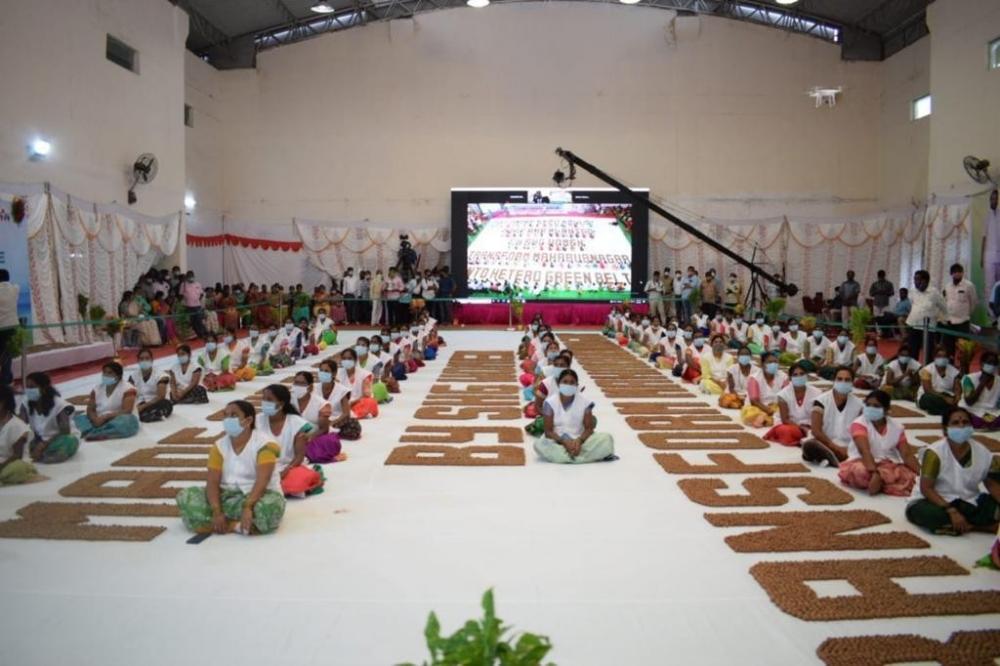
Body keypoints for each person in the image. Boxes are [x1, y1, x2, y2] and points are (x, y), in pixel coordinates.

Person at [176, 400, 286, 535]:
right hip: (227, 497)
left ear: (248, 420)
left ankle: (222, 524)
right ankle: (236, 525)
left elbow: (263, 480)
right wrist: (217, 511)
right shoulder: (219, 446)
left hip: (259, 497)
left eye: (233, 415)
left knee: (269, 508)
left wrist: (248, 506)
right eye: (226, 415)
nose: (228, 419)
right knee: (185, 496)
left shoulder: (266, 445)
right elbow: (212, 481)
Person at [905, 406, 1000, 535]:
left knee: (994, 508)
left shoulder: (982, 452)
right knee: (932, 516)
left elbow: (991, 484)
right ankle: (982, 526)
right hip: (934, 501)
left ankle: (968, 525)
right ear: (945, 430)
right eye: (955, 423)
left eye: (965, 422)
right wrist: (951, 510)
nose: (961, 426)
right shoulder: (934, 453)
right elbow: (926, 489)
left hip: (967, 500)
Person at [837, 390, 919, 496]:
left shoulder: (896, 427)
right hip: (863, 462)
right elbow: (864, 451)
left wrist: (922, 474)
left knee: (910, 477)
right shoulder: (859, 423)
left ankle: (881, 483)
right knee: (859, 471)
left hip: (887, 465)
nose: (871, 408)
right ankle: (886, 483)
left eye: (876, 406)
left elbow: (907, 455)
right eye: (868, 405)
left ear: (886, 410)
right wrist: (875, 473)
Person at [533, 369, 615, 464]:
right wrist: (564, 442)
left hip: (580, 440)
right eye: (565, 382)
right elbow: (548, 431)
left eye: (572, 382)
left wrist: (579, 441)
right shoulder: (550, 403)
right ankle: (581, 457)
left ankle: (567, 457)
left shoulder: (585, 402)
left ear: (576, 385)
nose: (568, 385)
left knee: (607, 439)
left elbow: (589, 428)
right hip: (557, 440)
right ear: (559, 383)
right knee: (539, 445)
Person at [258, 384, 321, 497]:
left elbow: (299, 456)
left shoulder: (297, 423)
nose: (264, 402)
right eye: (263, 398)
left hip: (290, 467)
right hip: (264, 466)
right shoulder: (257, 421)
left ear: (281, 404)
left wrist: (285, 471)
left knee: (294, 483)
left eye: (269, 399)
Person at [801, 367, 865, 467]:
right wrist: (835, 447)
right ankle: (835, 457)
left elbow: (862, 431)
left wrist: (849, 448)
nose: (843, 382)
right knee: (809, 445)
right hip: (825, 443)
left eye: (847, 380)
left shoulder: (859, 404)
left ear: (852, 382)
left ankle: (830, 458)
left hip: (848, 446)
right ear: (834, 381)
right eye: (839, 379)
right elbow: (816, 431)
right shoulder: (821, 401)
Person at [18, 372, 79, 463]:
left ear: (44, 388)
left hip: (60, 438)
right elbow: (20, 425)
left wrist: (43, 445)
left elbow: (65, 431)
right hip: (40, 438)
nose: (28, 391)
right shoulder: (26, 402)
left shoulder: (59, 404)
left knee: (63, 446)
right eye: (27, 387)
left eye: (32, 387)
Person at [290, 371, 347, 464]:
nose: (298, 386)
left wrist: (309, 437)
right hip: (293, 437)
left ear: (310, 387)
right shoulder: (289, 400)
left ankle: (303, 455)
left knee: (330, 442)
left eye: (302, 384)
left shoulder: (321, 404)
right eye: (296, 383)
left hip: (313, 438)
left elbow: (324, 429)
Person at [74, 362, 140, 441]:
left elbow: (127, 410)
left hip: (117, 418)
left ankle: (97, 433)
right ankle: (99, 431)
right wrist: (95, 419)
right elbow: (90, 409)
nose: (106, 375)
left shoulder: (128, 388)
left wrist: (105, 417)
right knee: (76, 419)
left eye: (109, 373)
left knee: (126, 422)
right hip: (98, 419)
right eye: (104, 372)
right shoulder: (97, 388)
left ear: (118, 376)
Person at [765, 362, 821, 447]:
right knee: (788, 432)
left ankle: (808, 439)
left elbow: (819, 416)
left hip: (810, 425)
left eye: (802, 374)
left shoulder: (817, 393)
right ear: (790, 378)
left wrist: (812, 428)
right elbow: (785, 419)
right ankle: (805, 439)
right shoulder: (782, 395)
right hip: (790, 424)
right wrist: (802, 429)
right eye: (795, 375)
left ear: (806, 376)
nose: (799, 377)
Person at [0, 385, 39, 485]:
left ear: (3, 403)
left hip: (12, 463)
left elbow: (17, 455)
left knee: (16, 469)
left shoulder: (17, 426)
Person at [905, 270, 945, 364]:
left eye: (917, 279)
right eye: (914, 279)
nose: (915, 282)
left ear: (925, 281)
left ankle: (927, 373)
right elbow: (913, 304)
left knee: (928, 353)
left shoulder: (934, 292)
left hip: (929, 328)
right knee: (912, 352)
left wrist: (940, 319)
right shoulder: (912, 291)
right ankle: (913, 373)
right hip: (914, 325)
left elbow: (943, 307)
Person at [940, 263, 978, 360]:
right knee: (948, 348)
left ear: (962, 273)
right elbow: (945, 301)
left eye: (959, 271)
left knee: (964, 350)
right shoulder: (947, 286)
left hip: (963, 322)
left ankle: (964, 371)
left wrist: (966, 314)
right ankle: (950, 368)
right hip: (949, 322)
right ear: (951, 273)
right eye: (954, 272)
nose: (957, 274)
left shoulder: (969, 285)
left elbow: (973, 302)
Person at [741, 351, 787, 428]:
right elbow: (754, 401)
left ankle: (766, 420)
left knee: (788, 411)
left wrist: (776, 410)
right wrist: (767, 410)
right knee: (751, 414)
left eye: (775, 362)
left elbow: (787, 396)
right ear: (762, 364)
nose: (773, 364)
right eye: (770, 362)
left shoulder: (783, 377)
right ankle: (769, 419)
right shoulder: (754, 378)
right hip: (758, 407)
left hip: (775, 406)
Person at [130, 348, 173, 423]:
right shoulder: (133, 376)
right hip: (142, 402)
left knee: (165, 405)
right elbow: (130, 393)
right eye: (141, 359)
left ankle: (147, 414)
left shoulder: (161, 375)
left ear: (152, 360)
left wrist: (142, 407)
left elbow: (161, 396)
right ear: (138, 361)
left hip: (158, 402)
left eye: (147, 358)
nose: (144, 361)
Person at [916, 345, 962, 416]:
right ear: (934, 357)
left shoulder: (954, 372)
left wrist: (957, 398)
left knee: (962, 400)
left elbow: (957, 390)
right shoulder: (927, 370)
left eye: (944, 356)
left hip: (947, 396)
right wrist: (945, 398)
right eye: (939, 356)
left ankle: (944, 409)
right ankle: (947, 409)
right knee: (929, 398)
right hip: (931, 395)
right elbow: (928, 390)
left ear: (948, 358)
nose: (942, 358)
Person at [961, 351, 1000, 430]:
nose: (992, 366)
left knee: (991, 420)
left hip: (990, 412)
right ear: (982, 364)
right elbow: (969, 402)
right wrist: (982, 383)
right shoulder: (969, 379)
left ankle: (988, 424)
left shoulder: (998, 380)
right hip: (972, 410)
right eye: (989, 363)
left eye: (994, 363)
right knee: (972, 420)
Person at [337, 347, 379, 419]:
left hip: (358, 402)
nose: (346, 361)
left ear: (355, 360)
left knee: (370, 402)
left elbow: (366, 395)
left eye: (349, 359)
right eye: (344, 359)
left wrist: (353, 402)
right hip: (342, 403)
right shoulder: (337, 374)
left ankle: (352, 414)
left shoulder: (364, 374)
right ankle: (352, 413)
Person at [721, 345, 755, 409]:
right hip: (734, 395)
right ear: (738, 356)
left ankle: (743, 404)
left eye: (747, 354)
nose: (744, 356)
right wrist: (738, 397)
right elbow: (731, 388)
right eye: (742, 354)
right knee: (726, 400)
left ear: (750, 357)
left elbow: (755, 389)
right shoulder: (731, 369)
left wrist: (746, 397)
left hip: (749, 396)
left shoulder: (757, 370)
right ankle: (743, 404)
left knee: (755, 400)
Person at [0, 269, 18, 387]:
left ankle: (6, 382)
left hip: (1, 327)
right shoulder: (15, 288)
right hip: (12, 327)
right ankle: (8, 380)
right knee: (7, 355)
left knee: (3, 355)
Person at [179, 270, 207, 339]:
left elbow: (201, 294)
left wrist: (197, 300)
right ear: (187, 277)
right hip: (188, 306)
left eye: (192, 276)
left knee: (198, 319)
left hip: (197, 305)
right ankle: (199, 333)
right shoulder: (184, 284)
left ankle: (202, 333)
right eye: (189, 276)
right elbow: (180, 295)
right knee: (193, 320)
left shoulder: (198, 284)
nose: (191, 277)